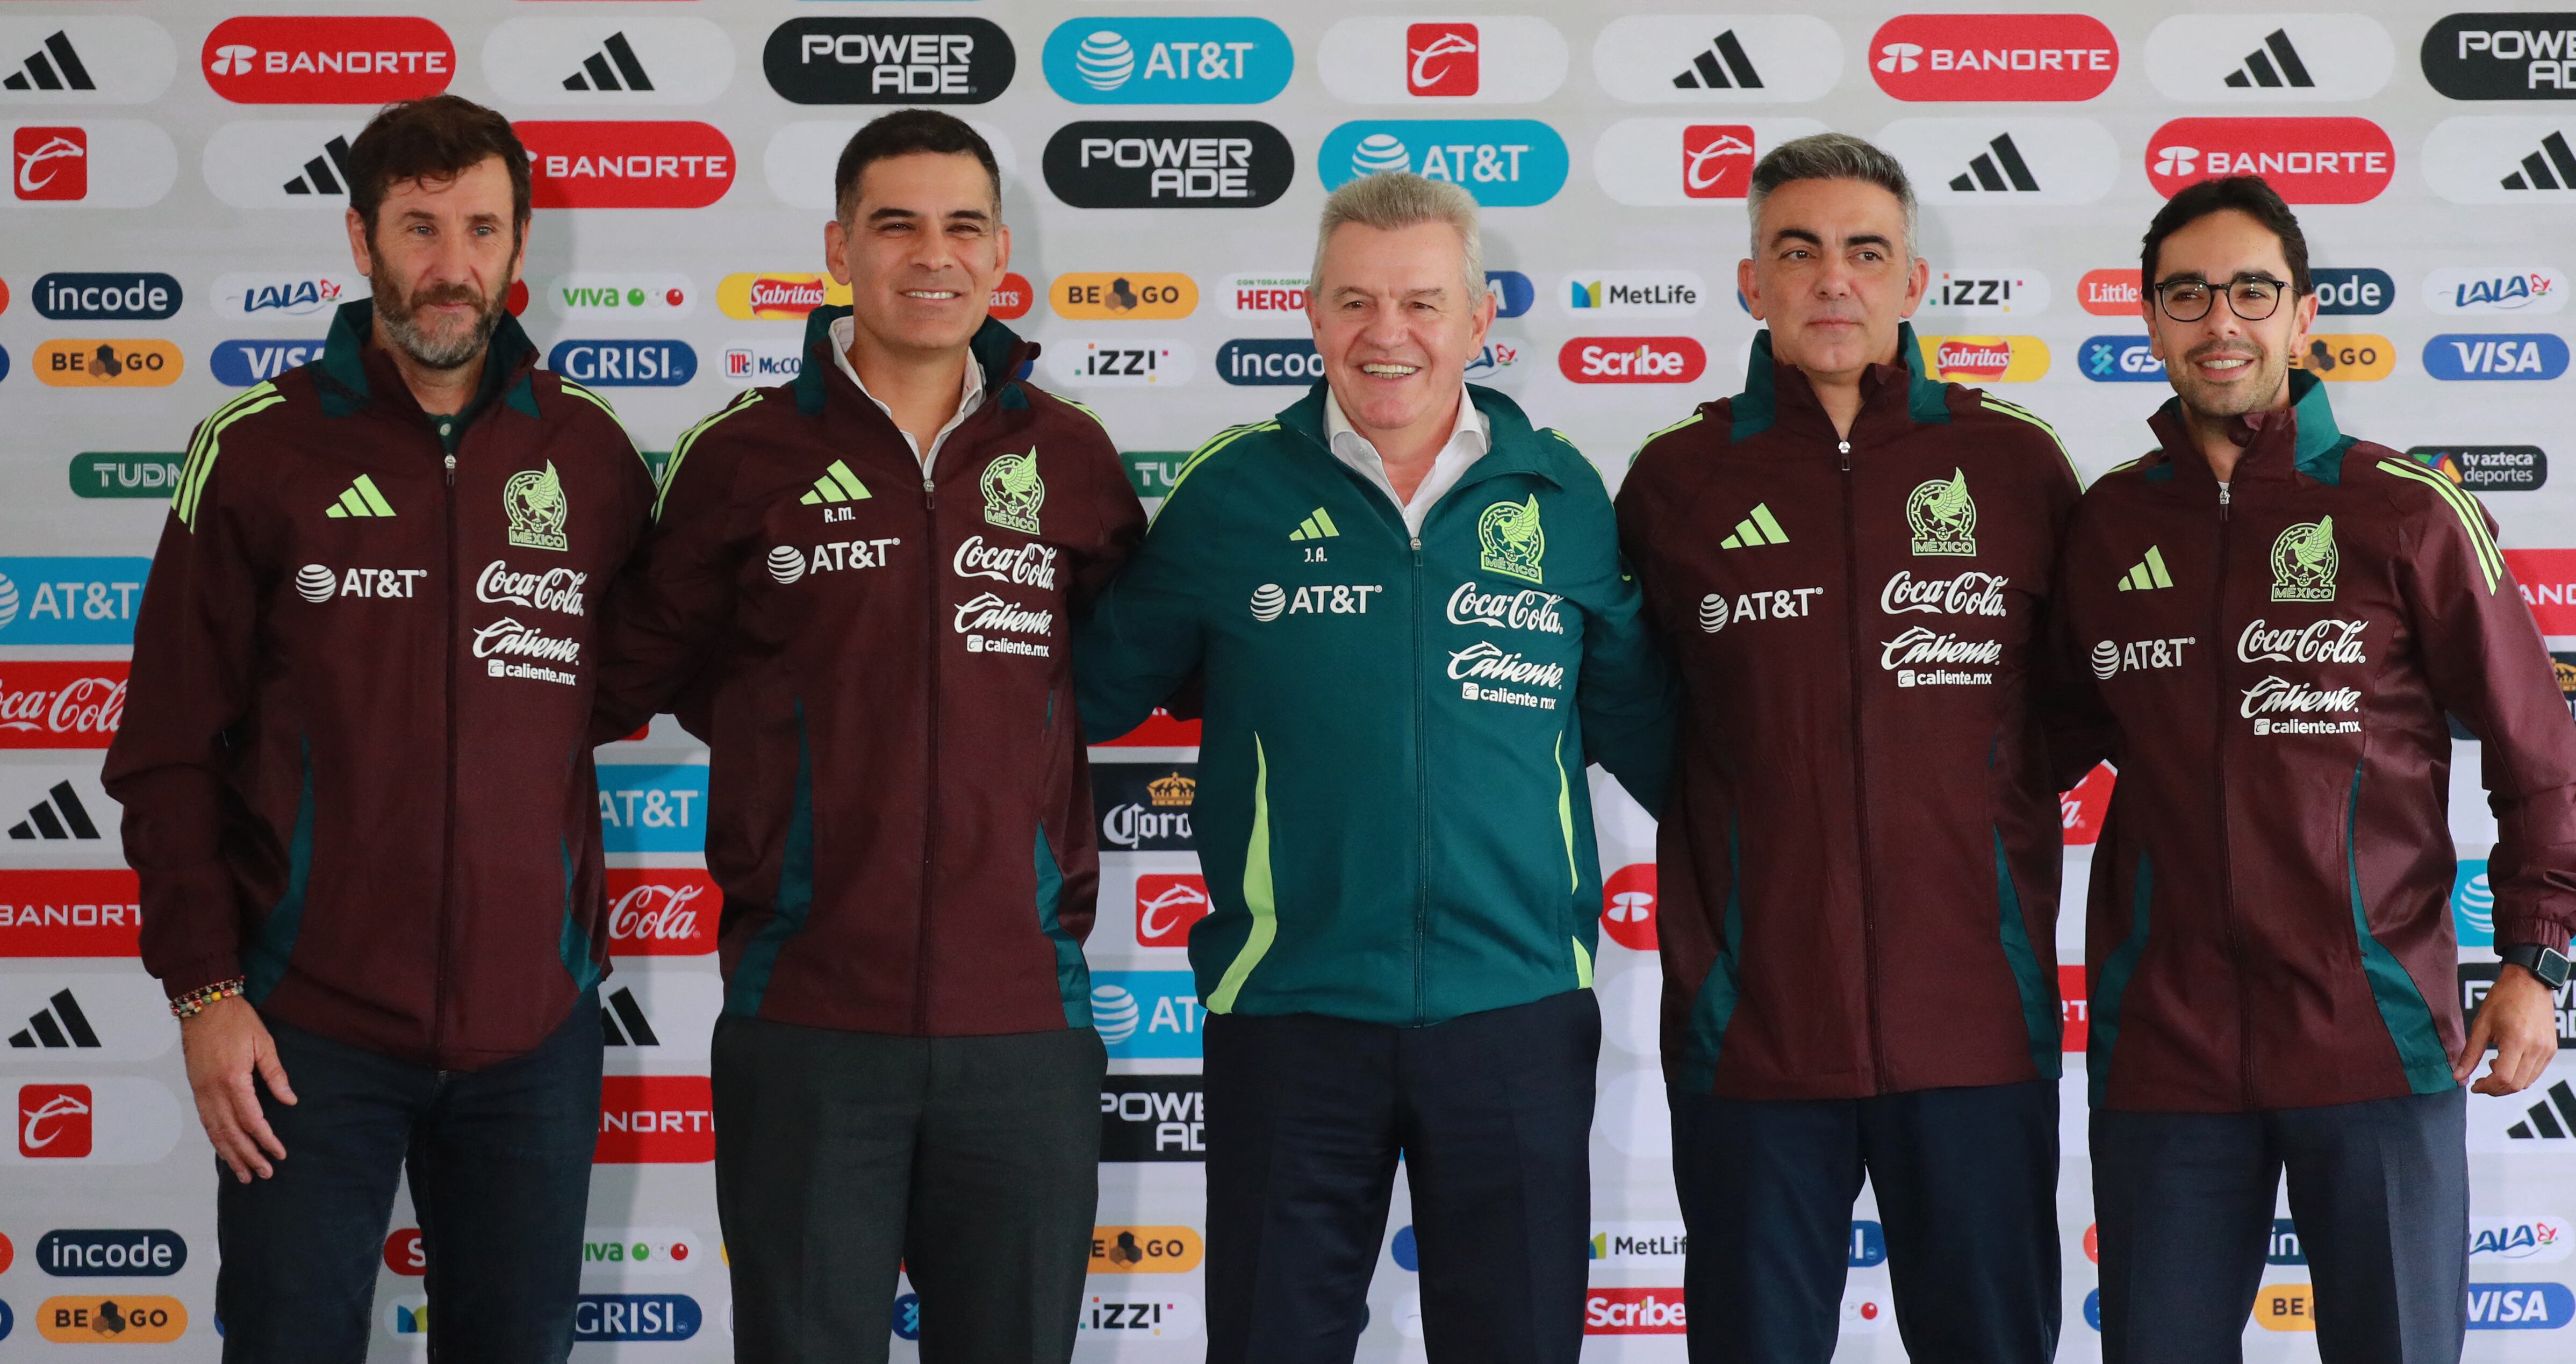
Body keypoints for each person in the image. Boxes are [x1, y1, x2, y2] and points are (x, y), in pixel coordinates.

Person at [1074, 169, 1677, 1364]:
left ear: (1475, 318)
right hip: (1290, 1011)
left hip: (1512, 1010)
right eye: (1353, 301)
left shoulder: (1560, 493)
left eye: (1418, 301)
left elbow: (1652, 733)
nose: (1385, 333)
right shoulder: (1233, 489)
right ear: (1310, 315)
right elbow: (1077, 691)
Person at [102, 95, 654, 1361]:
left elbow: (613, 683)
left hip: (535, 1033)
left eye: (479, 228)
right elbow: (168, 744)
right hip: (305, 1030)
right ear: (360, 240)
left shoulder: (592, 453)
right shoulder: (256, 450)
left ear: (521, 249)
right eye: (418, 227)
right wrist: (205, 990)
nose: (449, 266)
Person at [594, 109, 1144, 1364]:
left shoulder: (1068, 456)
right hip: (806, 1023)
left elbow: (1122, 669)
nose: (930, 255)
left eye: (961, 226)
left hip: (1022, 1023)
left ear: (1002, 250)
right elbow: (630, 675)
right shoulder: (742, 457)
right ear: (840, 247)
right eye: (896, 225)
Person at [2051, 176, 2576, 1364]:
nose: (2218, 320)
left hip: (2374, 1030)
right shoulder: (2102, 527)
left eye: (2251, 289)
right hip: (2165, 1042)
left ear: (2302, 319)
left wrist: (2533, 959)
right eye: (2185, 293)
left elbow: (2536, 757)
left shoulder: (2405, 510)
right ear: (2147, 322)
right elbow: (2018, 747)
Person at [1614, 133, 2082, 1362]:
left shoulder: (2015, 465)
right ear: (1749, 279)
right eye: (1798, 250)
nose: (1833, 279)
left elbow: (2075, 708)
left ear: (1912, 283)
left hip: (1973, 1020)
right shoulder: (1673, 479)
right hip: (1752, 1028)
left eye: (1864, 252)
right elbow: (1634, 713)